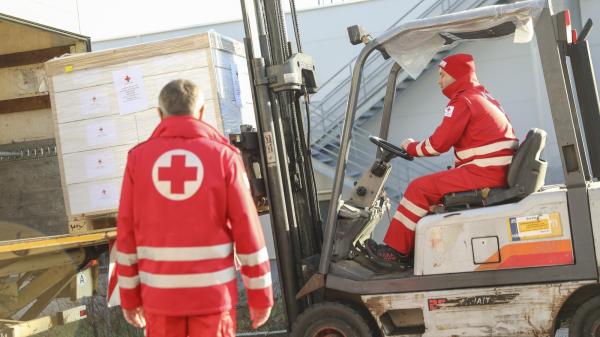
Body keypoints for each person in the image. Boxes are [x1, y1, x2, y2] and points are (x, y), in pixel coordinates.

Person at [116, 79, 273, 336]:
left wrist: (130, 298)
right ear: (201, 113)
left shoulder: (138, 159)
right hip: (213, 298)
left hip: (160, 299)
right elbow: (248, 230)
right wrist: (260, 295)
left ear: (159, 114)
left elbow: (126, 233)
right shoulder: (225, 157)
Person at [365, 53, 518, 269]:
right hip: (491, 170)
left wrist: (409, 146)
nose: (439, 81)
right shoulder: (482, 96)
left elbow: (438, 145)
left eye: (442, 75)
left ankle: (393, 253)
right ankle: (413, 251)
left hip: (483, 173)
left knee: (419, 188)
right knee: (431, 194)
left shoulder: (463, 101)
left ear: (456, 76)